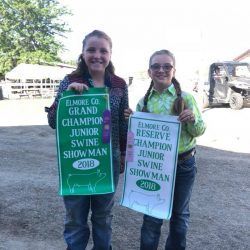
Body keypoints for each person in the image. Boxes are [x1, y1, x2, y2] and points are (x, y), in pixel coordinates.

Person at [47, 30, 128, 250]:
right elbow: (53, 121)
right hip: (75, 161)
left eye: (103, 50)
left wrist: (122, 155)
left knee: (103, 218)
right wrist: (68, 97)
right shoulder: (70, 80)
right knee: (75, 219)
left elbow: (122, 123)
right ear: (83, 53)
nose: (97, 55)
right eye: (91, 49)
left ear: (110, 54)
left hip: (107, 162)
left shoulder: (119, 84)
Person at [124, 49, 206, 250]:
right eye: (156, 66)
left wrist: (192, 119)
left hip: (183, 165)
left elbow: (199, 130)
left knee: (179, 217)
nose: (161, 70)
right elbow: (138, 139)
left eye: (167, 66)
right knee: (152, 215)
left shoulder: (186, 98)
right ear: (149, 71)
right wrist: (132, 122)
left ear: (174, 70)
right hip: (155, 167)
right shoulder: (143, 103)